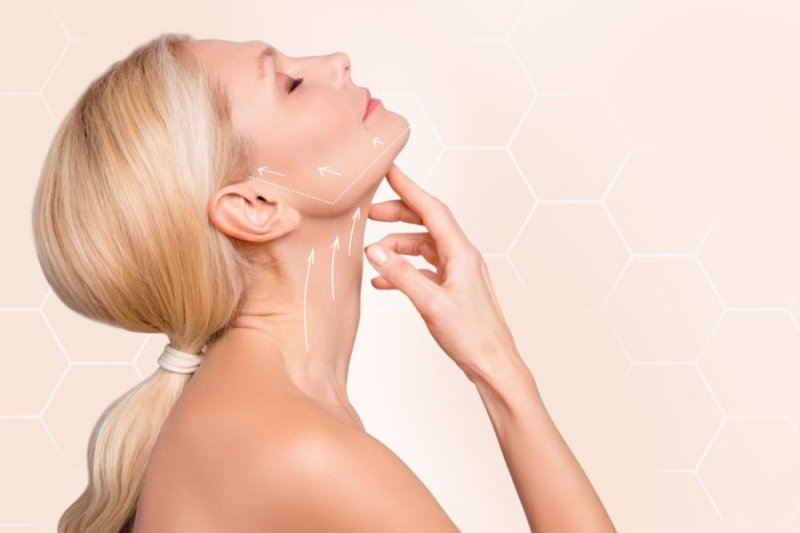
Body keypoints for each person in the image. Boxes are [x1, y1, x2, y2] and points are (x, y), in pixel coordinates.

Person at [32, 33, 615, 532]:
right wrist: (501, 371)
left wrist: (491, 361)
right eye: (289, 84)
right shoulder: (295, 446)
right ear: (255, 207)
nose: (336, 62)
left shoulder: (259, 417)